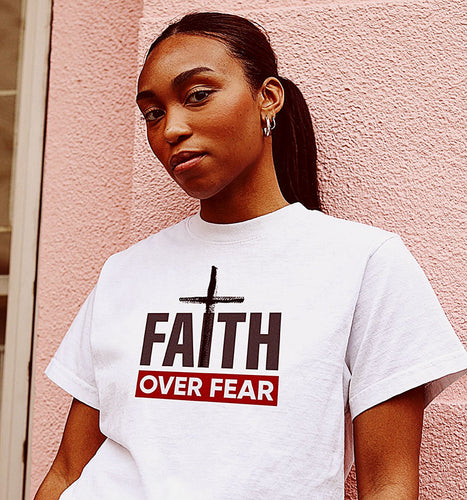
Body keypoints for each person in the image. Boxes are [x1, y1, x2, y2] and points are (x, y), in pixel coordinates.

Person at [35, 12, 467, 500]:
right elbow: (69, 471)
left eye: (197, 95)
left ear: (268, 98)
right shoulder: (125, 273)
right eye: (153, 113)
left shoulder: (364, 263)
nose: (171, 128)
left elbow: (388, 483)